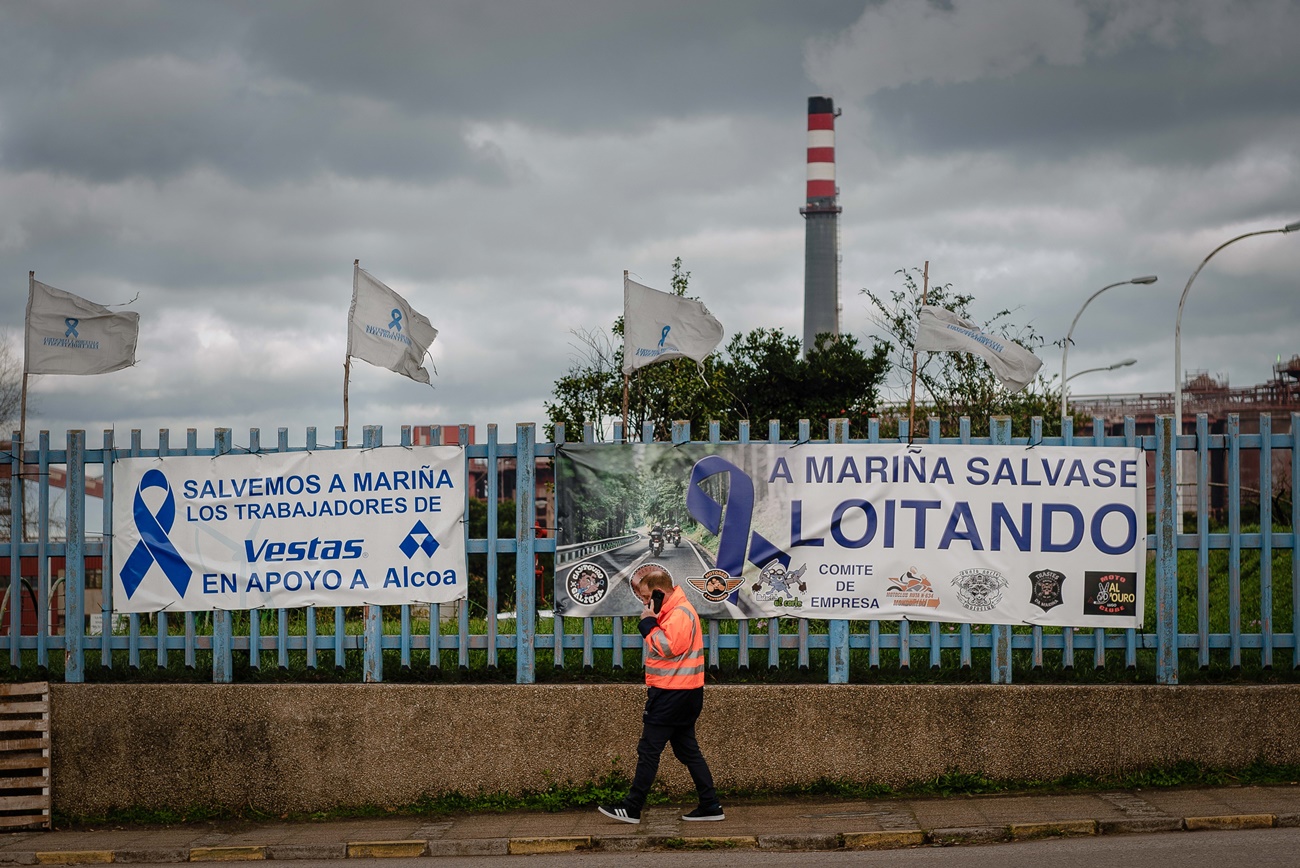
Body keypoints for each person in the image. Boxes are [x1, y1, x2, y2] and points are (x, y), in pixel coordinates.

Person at [598, 566, 723, 824]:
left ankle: (632, 808)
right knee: (688, 751)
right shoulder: (674, 611)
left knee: (649, 750)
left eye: (646, 597)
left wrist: (647, 625)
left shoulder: (678, 614)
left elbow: (668, 648)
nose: (644, 602)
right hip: (684, 693)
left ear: (658, 593)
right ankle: (710, 805)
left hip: (671, 694)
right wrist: (654, 619)